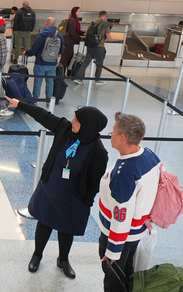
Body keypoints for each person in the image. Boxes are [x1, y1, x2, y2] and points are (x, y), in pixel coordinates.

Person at [6, 99, 108, 278]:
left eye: (77, 120)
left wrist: (86, 200)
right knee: (44, 222)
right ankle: (37, 255)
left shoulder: (98, 153)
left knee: (66, 229)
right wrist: (20, 104)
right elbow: (43, 116)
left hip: (74, 197)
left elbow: (94, 183)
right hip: (51, 188)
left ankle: (63, 259)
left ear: (88, 126)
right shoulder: (65, 129)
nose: (72, 121)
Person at [83, 112, 161, 292]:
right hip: (135, 232)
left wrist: (113, 250)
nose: (111, 133)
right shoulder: (148, 155)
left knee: (113, 274)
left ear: (124, 137)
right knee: (126, 270)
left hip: (119, 235)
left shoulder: (125, 172)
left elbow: (121, 215)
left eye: (115, 130)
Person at [25, 17, 64, 100]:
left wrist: (28, 53)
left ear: (46, 24)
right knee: (50, 82)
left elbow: (35, 48)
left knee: (38, 81)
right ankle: (49, 100)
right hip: (53, 62)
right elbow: (62, 49)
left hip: (41, 61)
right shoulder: (59, 35)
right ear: (54, 24)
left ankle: (35, 99)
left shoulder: (42, 34)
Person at [71, 10, 112, 85]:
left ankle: (78, 78)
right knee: (99, 64)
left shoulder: (93, 23)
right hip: (100, 46)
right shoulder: (106, 25)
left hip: (90, 46)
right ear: (105, 16)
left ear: (99, 15)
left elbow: (86, 34)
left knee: (86, 62)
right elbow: (109, 38)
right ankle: (97, 79)